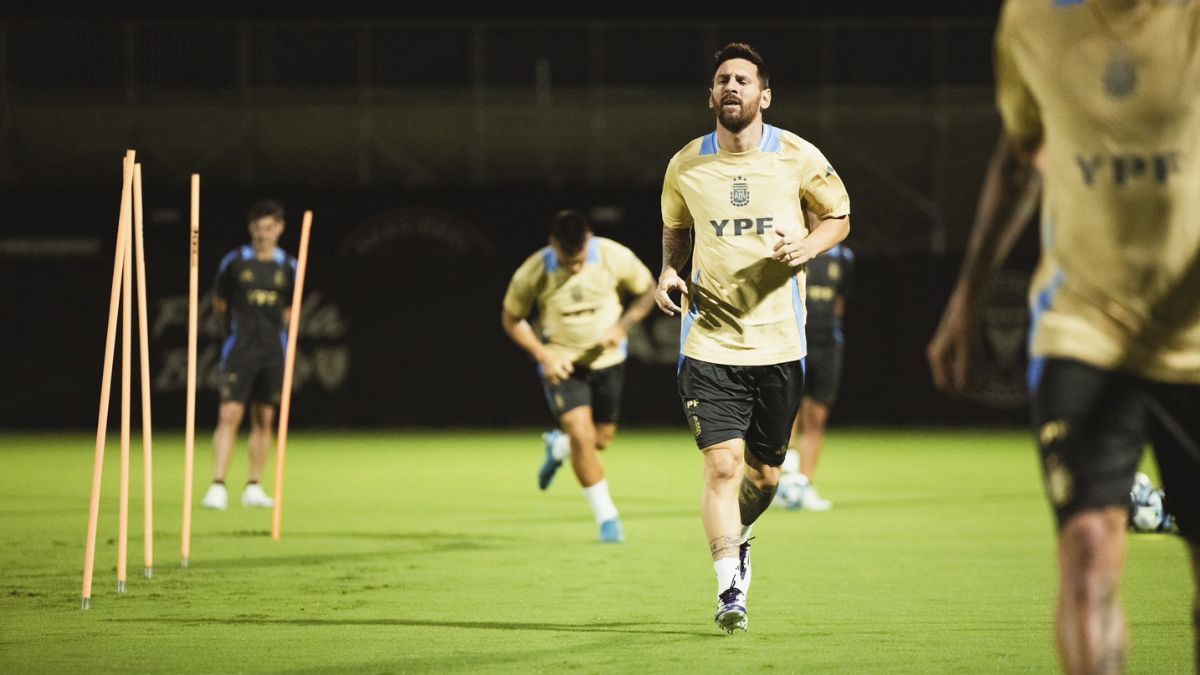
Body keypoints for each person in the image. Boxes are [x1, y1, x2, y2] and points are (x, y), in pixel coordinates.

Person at [927, 1, 1200, 672]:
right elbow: (1021, 159)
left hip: (1193, 333)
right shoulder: (1030, 19)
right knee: (1086, 544)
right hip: (1080, 324)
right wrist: (966, 296)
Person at [656, 42, 850, 634]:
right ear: (711, 96)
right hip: (709, 343)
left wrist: (808, 246)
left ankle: (736, 540)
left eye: (743, 79)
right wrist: (668, 270)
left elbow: (839, 216)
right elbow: (676, 229)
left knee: (764, 476)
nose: (731, 86)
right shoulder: (686, 164)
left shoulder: (796, 156)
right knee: (721, 465)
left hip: (779, 345)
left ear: (764, 95)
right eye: (722, 79)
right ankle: (728, 589)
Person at [501, 209, 656, 543]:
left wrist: (622, 326)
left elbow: (647, 291)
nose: (574, 267)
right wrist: (543, 355)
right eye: (566, 259)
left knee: (600, 440)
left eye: (579, 259)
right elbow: (511, 318)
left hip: (608, 361)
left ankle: (558, 449)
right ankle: (608, 519)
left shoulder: (614, 256)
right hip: (563, 364)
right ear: (552, 243)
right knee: (581, 436)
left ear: (589, 240)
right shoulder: (534, 270)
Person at [201, 199, 297, 511]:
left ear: (279, 229)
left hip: (272, 352)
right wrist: (230, 332)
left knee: (265, 417)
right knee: (228, 414)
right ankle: (218, 485)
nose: (262, 234)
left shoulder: (288, 266)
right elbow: (219, 303)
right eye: (257, 228)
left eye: (269, 228)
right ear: (250, 228)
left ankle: (254, 486)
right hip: (239, 349)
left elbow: (290, 309)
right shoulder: (236, 262)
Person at [780, 240, 855, 512]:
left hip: (828, 345)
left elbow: (840, 303)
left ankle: (805, 484)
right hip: (793, 342)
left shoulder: (844, 257)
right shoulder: (795, 248)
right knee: (789, 414)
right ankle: (782, 483)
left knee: (816, 417)